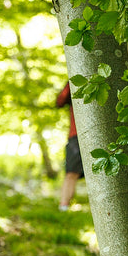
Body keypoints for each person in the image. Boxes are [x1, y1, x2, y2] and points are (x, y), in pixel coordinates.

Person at [55, 82, 83, 211]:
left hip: (100, 133)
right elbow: (60, 101)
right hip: (76, 135)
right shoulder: (72, 81)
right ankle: (64, 207)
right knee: (71, 173)